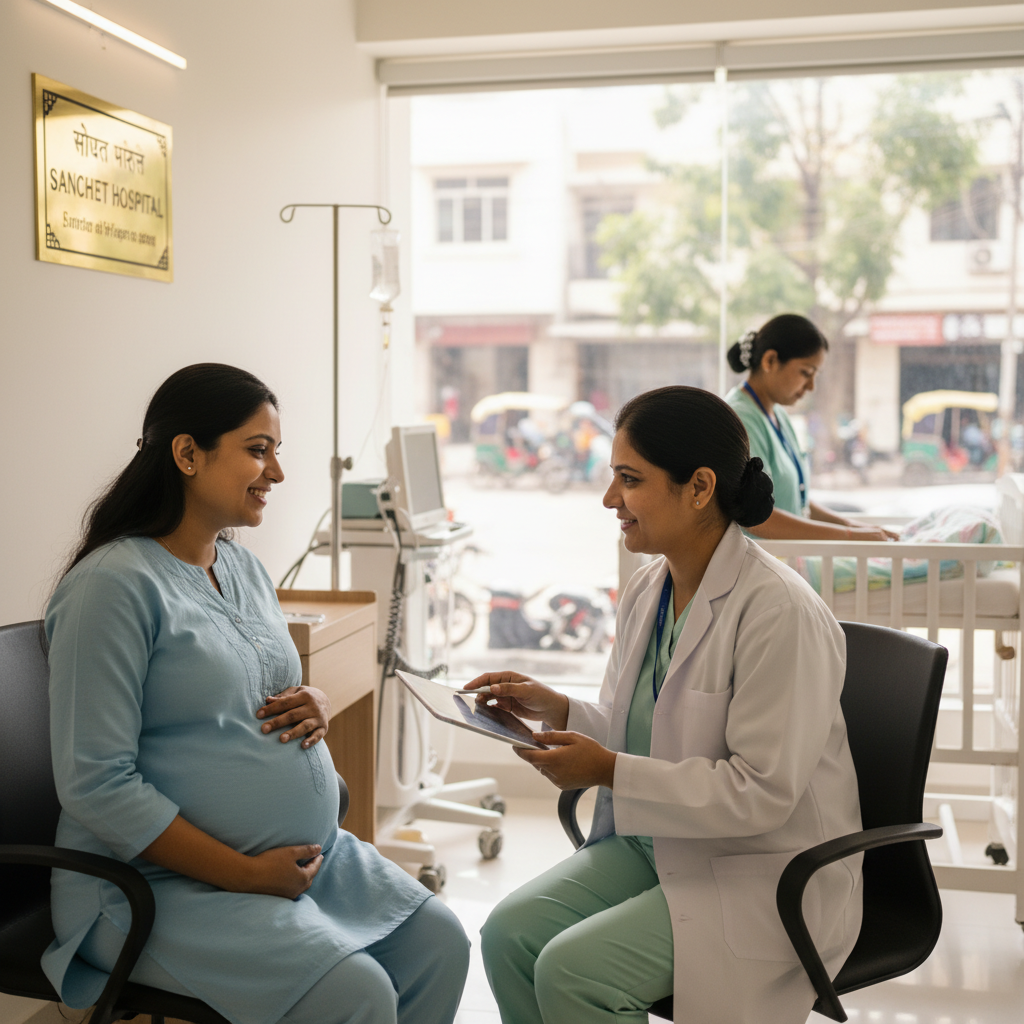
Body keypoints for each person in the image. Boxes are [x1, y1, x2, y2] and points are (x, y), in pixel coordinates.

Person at [43, 364, 469, 1024]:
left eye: (276, 452)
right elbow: (95, 782)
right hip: (146, 885)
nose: (277, 473)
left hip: (293, 861)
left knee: (439, 945)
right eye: (258, 450)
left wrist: (314, 701)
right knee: (355, 994)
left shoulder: (239, 564)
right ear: (187, 454)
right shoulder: (113, 586)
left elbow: (254, 687)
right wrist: (244, 875)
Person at [470, 386, 863, 1024]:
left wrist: (606, 772)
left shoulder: (779, 613)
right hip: (660, 842)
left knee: (573, 973)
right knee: (508, 936)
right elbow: (644, 730)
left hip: (763, 869)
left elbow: (761, 793)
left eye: (630, 479)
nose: (609, 500)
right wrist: (558, 710)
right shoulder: (649, 588)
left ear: (700, 487)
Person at [725, 314, 897, 541]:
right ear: (770, 361)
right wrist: (849, 535)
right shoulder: (741, 418)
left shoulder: (777, 414)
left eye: (815, 375)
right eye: (806, 373)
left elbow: (798, 502)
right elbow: (757, 518)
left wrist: (854, 527)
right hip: (761, 567)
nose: (811, 386)